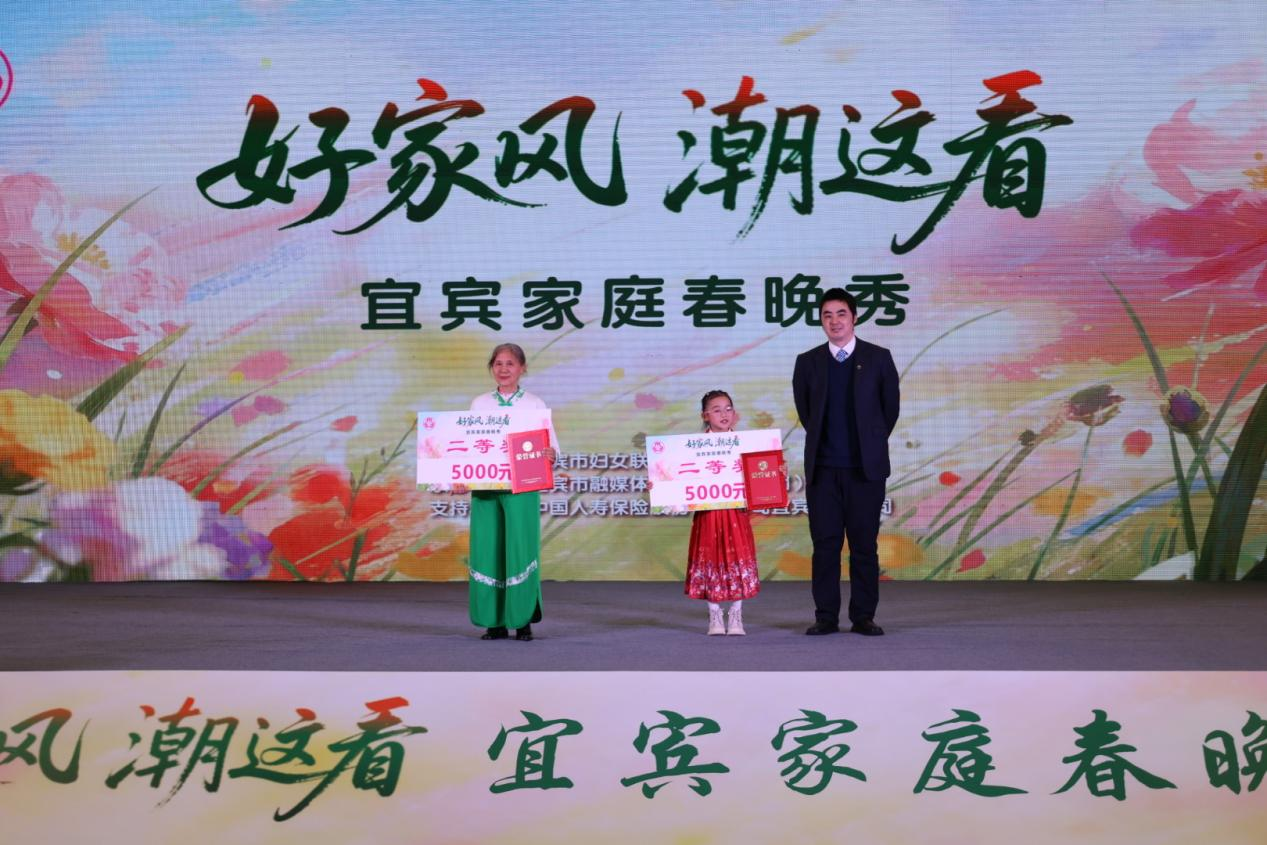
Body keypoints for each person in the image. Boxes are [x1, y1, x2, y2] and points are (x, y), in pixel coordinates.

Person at [792, 289, 899, 637]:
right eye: (827, 315)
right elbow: (807, 413)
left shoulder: (878, 358)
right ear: (820, 321)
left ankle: (863, 616)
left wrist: (868, 443)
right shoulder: (807, 362)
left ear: (854, 317)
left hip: (865, 472)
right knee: (825, 545)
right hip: (823, 471)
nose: (834, 321)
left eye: (841, 314)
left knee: (864, 546)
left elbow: (889, 411)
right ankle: (825, 616)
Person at [466, 343, 557, 642]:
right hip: (486, 486)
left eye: (510, 364)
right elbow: (465, 445)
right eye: (498, 364)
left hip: (523, 486)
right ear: (491, 368)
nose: (503, 369)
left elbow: (551, 447)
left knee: (520, 547)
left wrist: (549, 453)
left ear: (522, 368)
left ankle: (522, 619)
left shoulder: (534, 404)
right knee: (488, 548)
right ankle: (493, 621)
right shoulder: (479, 404)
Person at [684, 390, 760, 636]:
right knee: (710, 557)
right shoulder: (691, 447)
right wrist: (660, 485)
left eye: (728, 408)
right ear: (705, 416)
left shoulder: (746, 443)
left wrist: (774, 471)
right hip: (708, 513)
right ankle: (714, 614)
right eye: (716, 410)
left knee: (738, 556)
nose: (724, 414)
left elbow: (760, 474)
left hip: (736, 512)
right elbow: (674, 478)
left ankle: (736, 614)